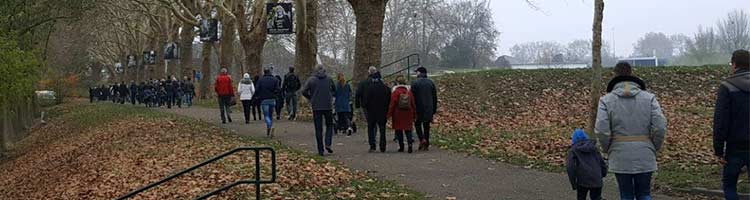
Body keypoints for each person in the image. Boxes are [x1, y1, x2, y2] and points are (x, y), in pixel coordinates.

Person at [596, 62, 667, 200]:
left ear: (615, 75)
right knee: (644, 193)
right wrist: (654, 146)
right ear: (631, 73)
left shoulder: (606, 101)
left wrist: (607, 148)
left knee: (626, 194)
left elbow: (602, 130)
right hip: (645, 152)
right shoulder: (649, 98)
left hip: (619, 153)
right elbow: (660, 126)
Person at [713, 49, 750, 200]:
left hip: (735, 146)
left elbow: (720, 121)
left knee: (729, 186)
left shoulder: (727, 86)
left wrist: (718, 150)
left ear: (734, 64)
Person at [302, 67, 336, 156]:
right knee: (329, 125)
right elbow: (334, 90)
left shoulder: (311, 80)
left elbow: (303, 91)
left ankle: (320, 150)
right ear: (324, 71)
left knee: (318, 129)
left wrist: (311, 98)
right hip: (328, 106)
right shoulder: (329, 79)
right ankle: (328, 143)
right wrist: (330, 96)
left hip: (316, 106)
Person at [566, 129, 606, 200]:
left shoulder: (573, 150)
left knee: (581, 197)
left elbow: (570, 167)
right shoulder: (594, 148)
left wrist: (573, 183)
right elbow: (601, 162)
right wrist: (603, 173)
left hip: (582, 180)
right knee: (596, 197)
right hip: (596, 178)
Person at [362, 69, 391, 153]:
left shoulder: (369, 88)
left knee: (371, 128)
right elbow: (389, 100)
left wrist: (366, 108)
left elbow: (365, 101)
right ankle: (383, 146)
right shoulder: (386, 89)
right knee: (382, 129)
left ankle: (372, 145)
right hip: (382, 111)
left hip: (371, 112)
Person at [387, 75, 417, 153]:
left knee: (399, 130)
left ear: (397, 82)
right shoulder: (409, 92)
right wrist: (414, 113)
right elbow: (413, 103)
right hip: (408, 113)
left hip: (398, 114)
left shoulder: (395, 92)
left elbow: (392, 104)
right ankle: (410, 145)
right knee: (408, 130)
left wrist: (389, 114)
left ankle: (401, 146)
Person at [411, 67, 438, 151]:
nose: (416, 74)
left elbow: (412, 97)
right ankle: (426, 143)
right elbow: (434, 97)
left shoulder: (415, 83)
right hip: (429, 107)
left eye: (417, 72)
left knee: (417, 124)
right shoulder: (431, 82)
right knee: (426, 125)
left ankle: (422, 139)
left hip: (418, 107)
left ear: (420, 73)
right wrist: (434, 109)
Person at [255, 68, 280, 137]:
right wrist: (274, 94)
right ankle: (269, 131)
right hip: (272, 99)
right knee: (271, 115)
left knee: (266, 115)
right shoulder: (275, 79)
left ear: (264, 72)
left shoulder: (260, 80)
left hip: (264, 100)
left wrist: (259, 95)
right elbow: (278, 89)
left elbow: (256, 89)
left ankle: (270, 126)